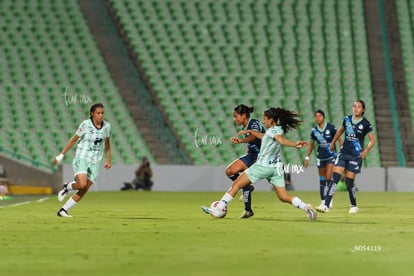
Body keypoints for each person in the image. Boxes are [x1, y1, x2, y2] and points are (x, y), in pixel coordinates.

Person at [202, 107, 317, 221]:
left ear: (271, 120)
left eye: (265, 119)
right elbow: (265, 136)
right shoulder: (277, 129)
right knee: (283, 197)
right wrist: (250, 131)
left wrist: (294, 144)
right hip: (275, 168)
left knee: (236, 184)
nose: (263, 121)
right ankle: (306, 208)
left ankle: (219, 209)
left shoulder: (273, 131)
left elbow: (280, 140)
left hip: (263, 166)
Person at [52, 103, 111, 218]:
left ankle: (63, 210)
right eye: (98, 113)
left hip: (95, 161)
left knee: (84, 189)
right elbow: (74, 140)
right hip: (82, 157)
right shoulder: (86, 124)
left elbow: (107, 143)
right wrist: (61, 154)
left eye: (102, 113)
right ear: (92, 114)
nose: (101, 115)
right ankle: (68, 187)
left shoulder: (107, 126)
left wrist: (108, 159)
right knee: (82, 183)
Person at [316, 100, 375, 214]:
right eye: (354, 106)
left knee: (349, 182)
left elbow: (372, 141)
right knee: (335, 178)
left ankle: (353, 205)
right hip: (343, 153)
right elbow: (340, 131)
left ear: (363, 110)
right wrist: (332, 142)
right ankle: (326, 205)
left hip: (355, 156)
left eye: (359, 107)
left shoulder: (366, 124)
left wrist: (365, 151)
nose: (356, 108)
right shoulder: (347, 119)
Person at [226, 104, 265, 218]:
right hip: (251, 155)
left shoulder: (254, 123)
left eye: (235, 116)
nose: (234, 119)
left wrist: (240, 141)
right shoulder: (244, 126)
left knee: (245, 178)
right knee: (229, 171)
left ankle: (247, 209)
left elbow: (254, 137)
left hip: (261, 157)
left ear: (243, 115)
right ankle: (248, 204)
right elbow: (251, 142)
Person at [304, 109, 340, 209]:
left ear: (323, 117)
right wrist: (307, 158)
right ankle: (323, 201)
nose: (317, 118)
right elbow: (311, 145)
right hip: (320, 157)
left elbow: (339, 139)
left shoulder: (331, 127)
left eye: (319, 116)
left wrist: (341, 150)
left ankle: (329, 200)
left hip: (331, 156)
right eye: (316, 116)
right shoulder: (314, 131)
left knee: (329, 178)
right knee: (322, 180)